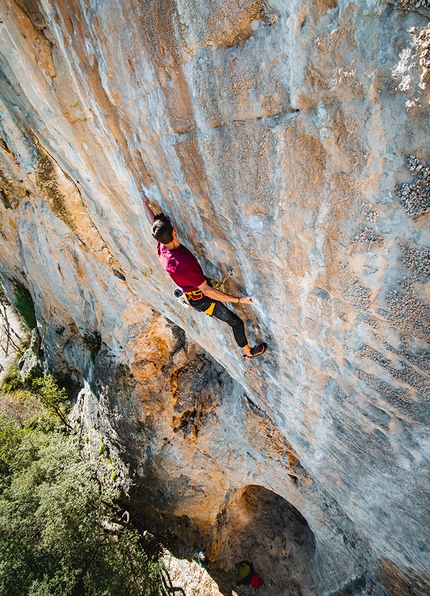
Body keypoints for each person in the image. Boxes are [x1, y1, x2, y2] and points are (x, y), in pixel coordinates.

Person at [141, 193, 267, 358]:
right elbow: (207, 291)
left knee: (223, 303)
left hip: (193, 289)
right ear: (173, 233)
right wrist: (239, 300)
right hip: (202, 300)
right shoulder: (183, 263)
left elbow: (153, 224)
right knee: (236, 323)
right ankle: (248, 352)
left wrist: (145, 204)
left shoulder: (163, 247)